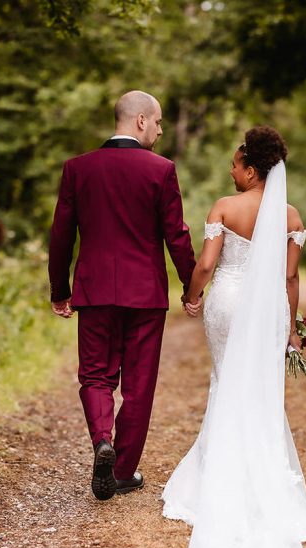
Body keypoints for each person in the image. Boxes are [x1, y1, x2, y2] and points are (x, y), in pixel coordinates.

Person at [161, 126, 306, 548]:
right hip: (268, 307)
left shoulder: (225, 208)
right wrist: (290, 327)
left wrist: (192, 297)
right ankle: (261, 485)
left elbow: (207, 263)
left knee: (224, 381)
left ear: (252, 171)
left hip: (228, 301)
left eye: (235, 164)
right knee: (259, 391)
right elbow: (290, 280)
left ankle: (218, 484)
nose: (230, 171)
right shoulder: (291, 217)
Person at [48, 90, 197, 501]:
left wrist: (60, 289)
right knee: (139, 384)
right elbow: (177, 235)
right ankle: (122, 471)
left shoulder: (78, 168)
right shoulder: (161, 170)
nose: (162, 129)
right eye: (159, 121)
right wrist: (191, 285)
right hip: (145, 294)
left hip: (94, 290)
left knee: (95, 375)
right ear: (141, 121)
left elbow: (62, 234)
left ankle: (101, 442)